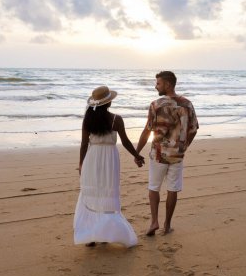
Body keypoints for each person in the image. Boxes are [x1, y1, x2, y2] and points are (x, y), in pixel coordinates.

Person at [74, 85, 144, 248]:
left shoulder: (88, 119)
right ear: (109, 103)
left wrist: (81, 164)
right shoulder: (116, 119)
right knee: (107, 194)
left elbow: (84, 144)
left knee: (93, 195)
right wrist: (136, 155)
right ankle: (104, 233)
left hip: (92, 158)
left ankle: (91, 235)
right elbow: (125, 141)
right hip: (109, 159)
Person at [135, 71, 199, 236]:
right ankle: (167, 225)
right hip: (177, 155)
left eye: (158, 83)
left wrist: (137, 152)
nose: (156, 86)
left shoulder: (156, 104)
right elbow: (193, 129)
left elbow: (147, 130)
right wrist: (184, 146)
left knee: (153, 187)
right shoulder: (187, 104)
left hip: (158, 153)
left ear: (168, 84)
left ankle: (154, 221)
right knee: (173, 189)